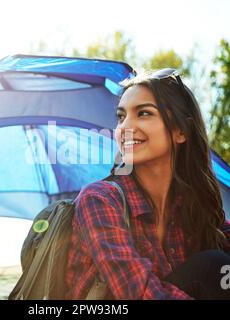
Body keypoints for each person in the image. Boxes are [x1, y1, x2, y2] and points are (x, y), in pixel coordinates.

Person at [65, 68, 230, 300]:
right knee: (213, 267)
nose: (125, 128)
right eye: (121, 117)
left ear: (181, 131)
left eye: (143, 113)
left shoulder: (193, 206)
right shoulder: (100, 200)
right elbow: (139, 294)